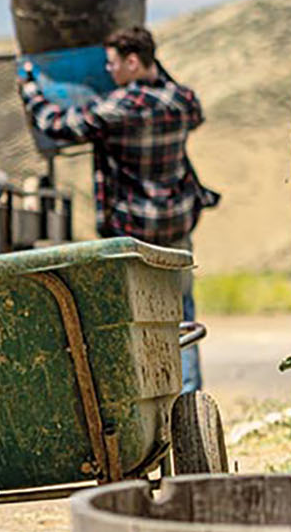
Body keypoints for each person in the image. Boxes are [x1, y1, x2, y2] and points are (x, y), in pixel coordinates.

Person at [19, 26, 216, 392]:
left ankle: (147, 394)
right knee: (182, 314)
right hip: (175, 225)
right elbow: (194, 108)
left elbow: (58, 124)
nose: (108, 71)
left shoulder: (122, 107)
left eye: (113, 64)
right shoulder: (183, 101)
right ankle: (188, 396)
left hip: (133, 230)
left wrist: (30, 89)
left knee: (133, 316)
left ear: (131, 62)